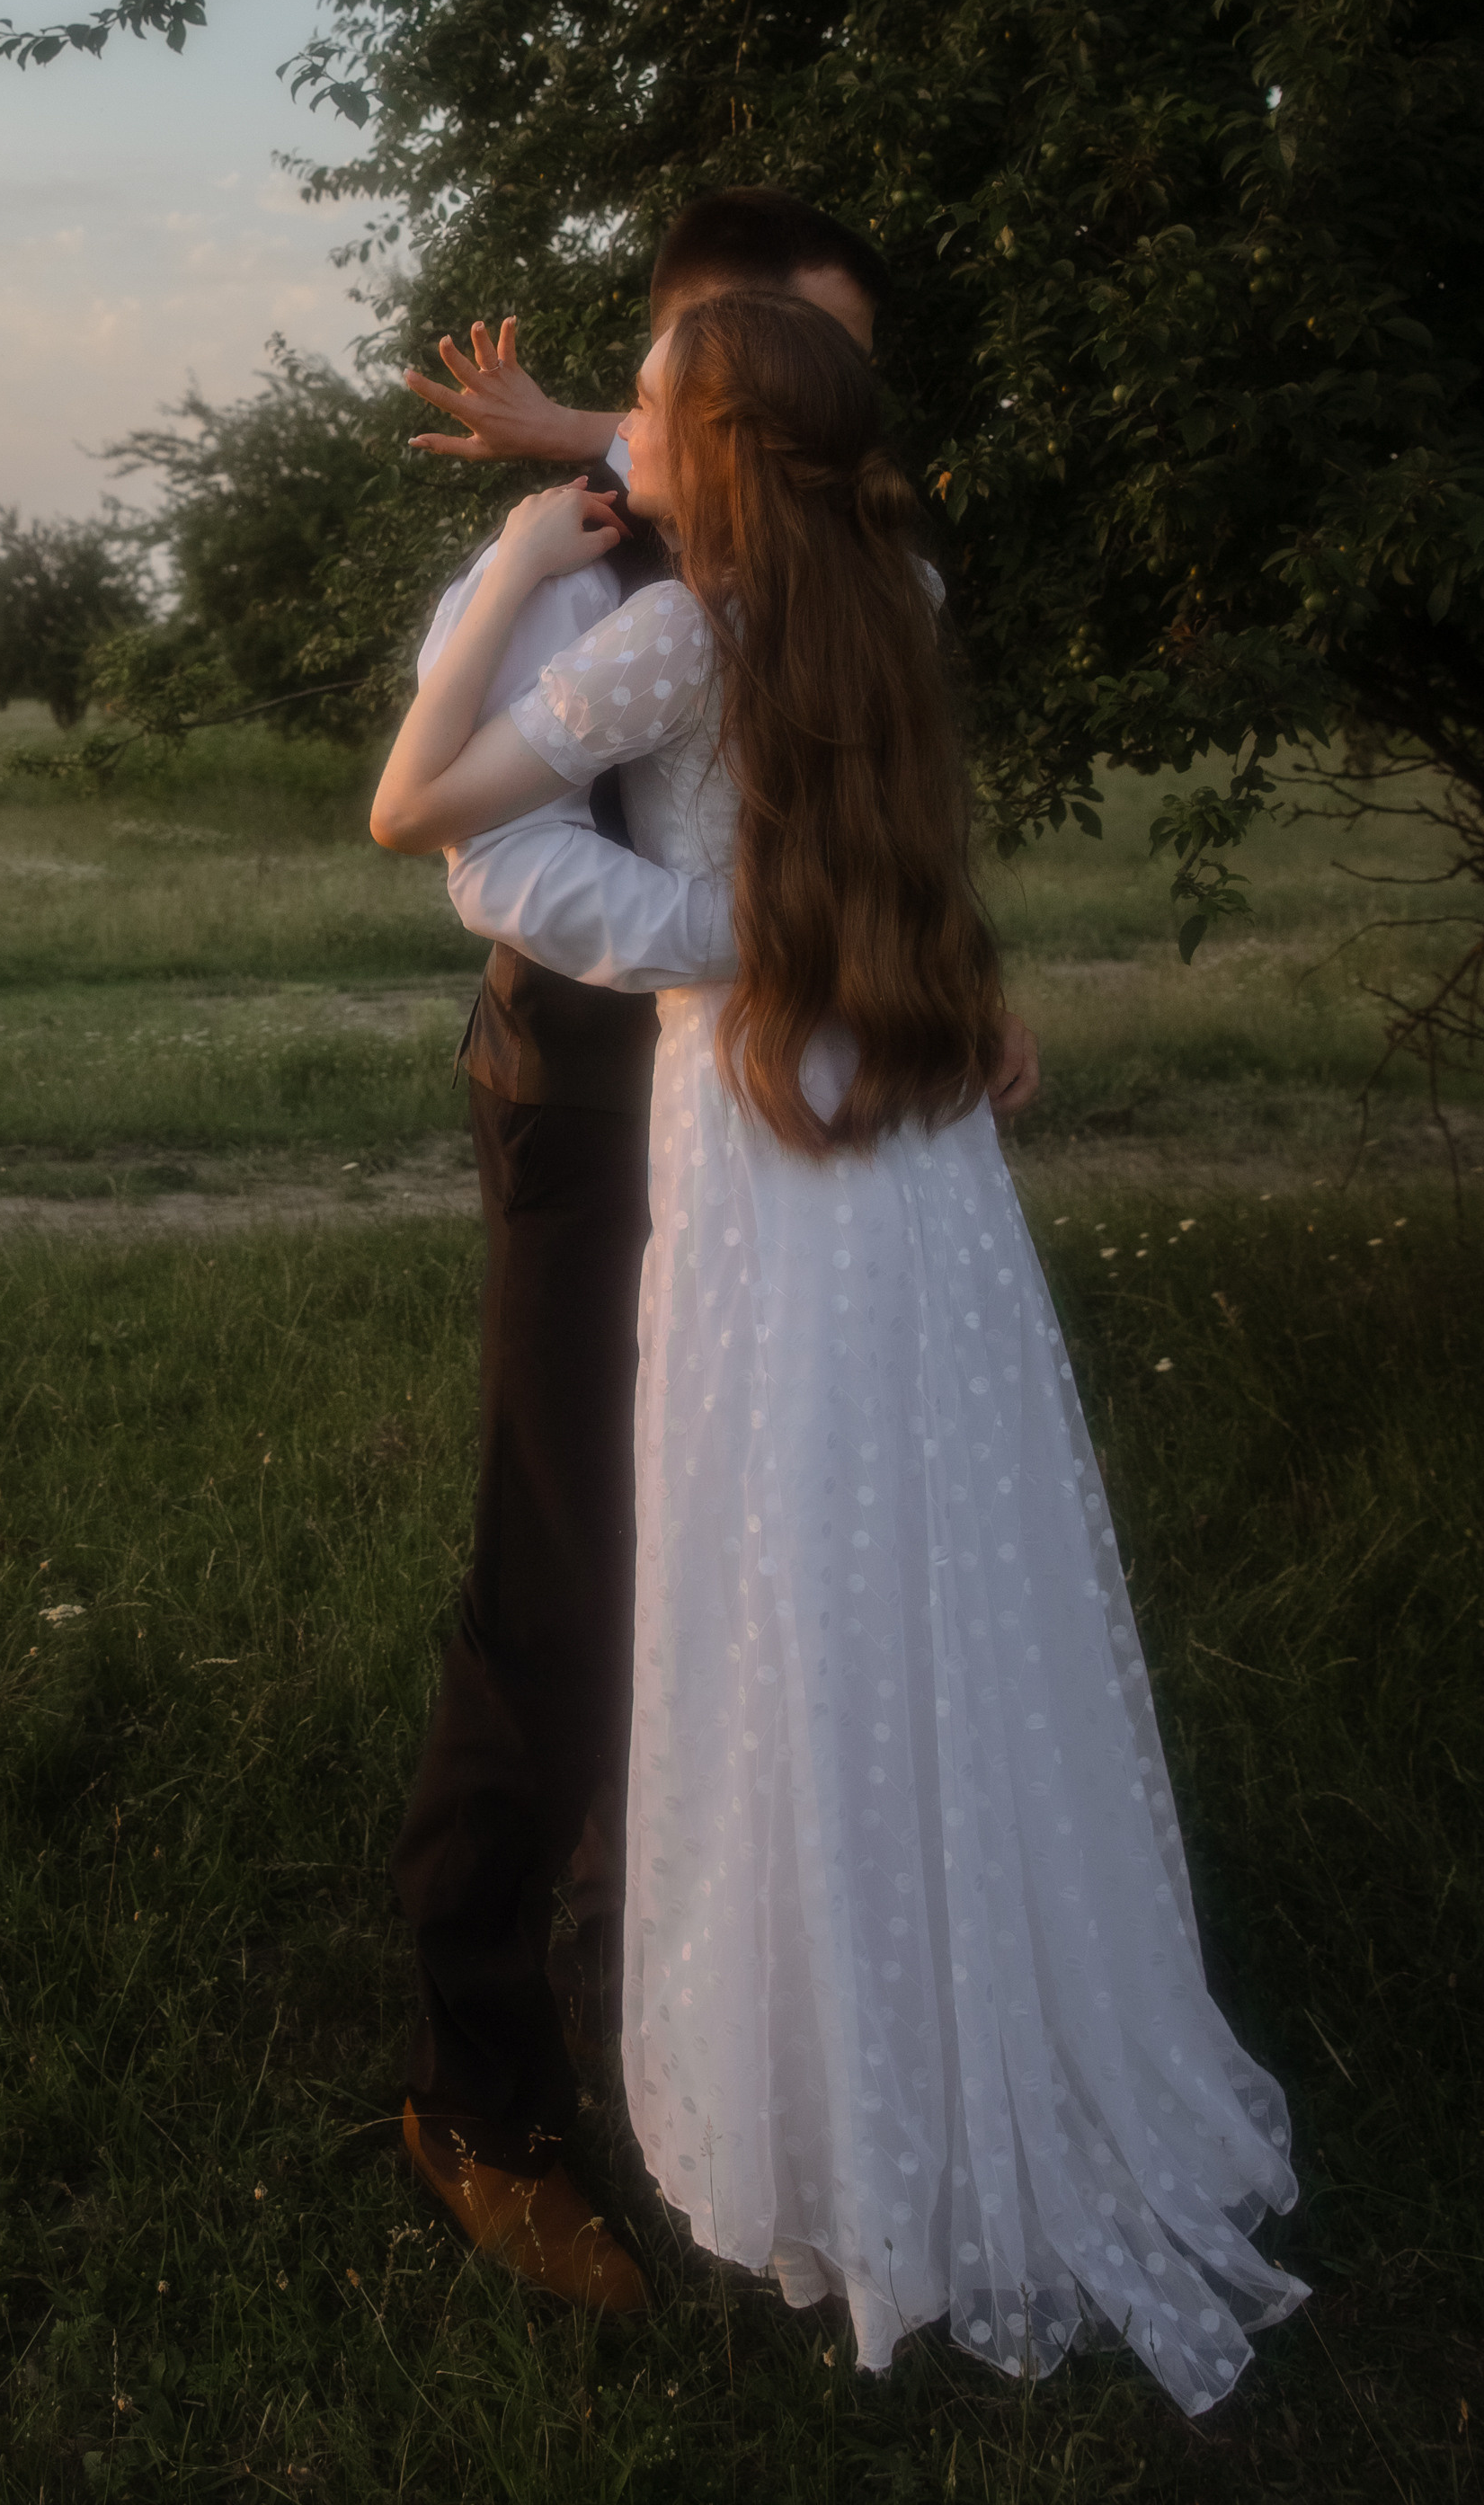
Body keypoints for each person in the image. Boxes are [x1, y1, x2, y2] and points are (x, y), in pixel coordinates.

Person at [371, 290, 1305, 2410]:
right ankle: (965, 2004)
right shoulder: (902, 581)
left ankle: (828, 2077)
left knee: (772, 1579)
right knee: (942, 1571)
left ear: (701, 443)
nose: (622, 439)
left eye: (653, 410)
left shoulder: (674, 630)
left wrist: (533, 541)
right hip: (909, 1163)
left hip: (759, 1142)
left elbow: (416, 806)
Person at [384, 191, 1035, 2313]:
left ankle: (740, 2001)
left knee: (777, 1564)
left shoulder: (834, 553)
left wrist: (920, 973)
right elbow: (498, 867)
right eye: (761, 360)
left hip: (803, 1123)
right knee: (566, 1584)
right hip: (597, 1110)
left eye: (837, 368)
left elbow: (879, 802)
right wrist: (749, 963)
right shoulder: (583, 580)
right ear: (688, 370)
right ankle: (480, 2093)